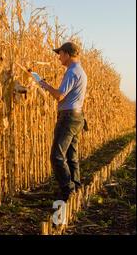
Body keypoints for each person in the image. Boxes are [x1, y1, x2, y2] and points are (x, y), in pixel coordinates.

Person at [39, 42, 87, 201]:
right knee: (71, 155)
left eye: (60, 53)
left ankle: (68, 190)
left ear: (67, 54)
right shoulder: (80, 71)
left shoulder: (72, 72)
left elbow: (60, 95)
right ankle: (76, 187)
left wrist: (46, 86)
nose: (59, 57)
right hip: (77, 117)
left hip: (68, 118)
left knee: (57, 156)